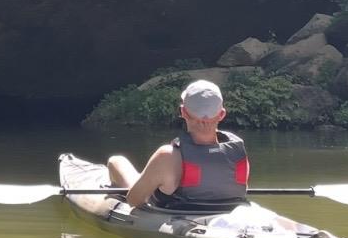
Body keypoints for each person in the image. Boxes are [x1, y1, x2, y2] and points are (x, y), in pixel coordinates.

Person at [106, 79, 250, 210]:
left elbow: (134, 201)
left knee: (116, 160)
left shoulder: (167, 156)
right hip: (227, 213)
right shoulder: (237, 152)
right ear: (222, 114)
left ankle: (146, 178)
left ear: (183, 112)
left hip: (180, 214)